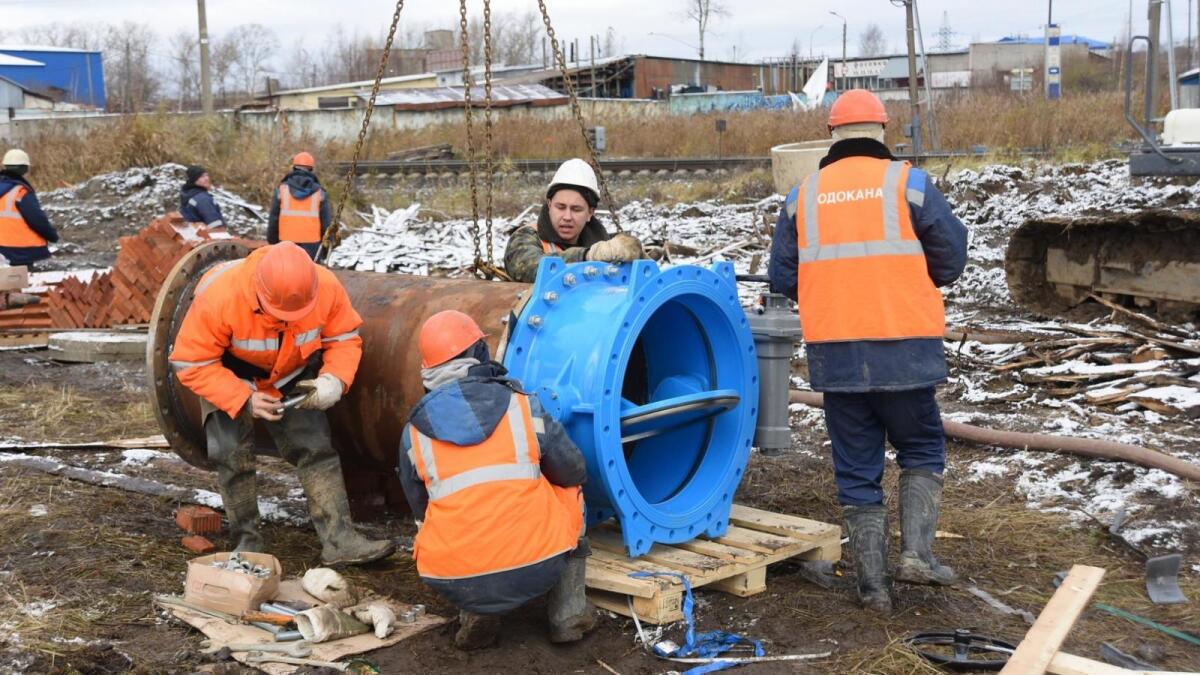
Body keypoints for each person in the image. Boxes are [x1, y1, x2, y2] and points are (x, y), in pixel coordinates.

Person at [767, 89, 969, 613]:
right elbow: (950, 260)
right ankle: (919, 557)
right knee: (921, 448)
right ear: (883, 130)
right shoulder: (911, 185)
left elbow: (782, 277)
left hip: (836, 354)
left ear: (831, 134)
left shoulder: (802, 196)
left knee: (856, 468)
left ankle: (873, 587)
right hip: (904, 347)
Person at [169, 241, 394, 565]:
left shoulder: (326, 287)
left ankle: (340, 542)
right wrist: (243, 398)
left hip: (291, 373)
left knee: (316, 450)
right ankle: (247, 548)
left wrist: (334, 380)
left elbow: (343, 339)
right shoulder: (221, 296)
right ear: (259, 294)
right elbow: (190, 362)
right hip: (229, 376)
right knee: (232, 456)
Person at [397, 310, 594, 649]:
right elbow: (574, 470)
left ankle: (477, 615)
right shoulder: (523, 407)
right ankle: (568, 615)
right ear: (479, 353)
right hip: (538, 566)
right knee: (571, 491)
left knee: (441, 515)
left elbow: (421, 509)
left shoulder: (414, 433)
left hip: (454, 577)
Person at [503, 158, 644, 282]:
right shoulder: (525, 238)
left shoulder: (603, 242)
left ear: (590, 213)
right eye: (560, 207)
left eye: (576, 209)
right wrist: (587, 256)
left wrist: (636, 253)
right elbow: (528, 267)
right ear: (549, 205)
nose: (567, 217)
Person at [0, 149, 59, 269]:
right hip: (20, 249)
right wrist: (52, 235)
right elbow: (36, 218)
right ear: (24, 168)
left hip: (2, 248)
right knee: (20, 282)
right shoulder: (20, 192)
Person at [268, 152, 331, 259]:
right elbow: (326, 224)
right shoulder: (320, 193)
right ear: (311, 169)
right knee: (310, 275)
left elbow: (274, 220)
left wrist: (273, 242)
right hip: (312, 246)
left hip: (285, 244)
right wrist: (325, 249)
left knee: (285, 274)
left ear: (294, 168)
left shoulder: (281, 190)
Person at [180, 165, 225, 230]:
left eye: (207, 175)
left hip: (194, 236)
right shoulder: (202, 198)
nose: (206, 178)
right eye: (202, 176)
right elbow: (215, 225)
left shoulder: (189, 195)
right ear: (193, 180)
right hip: (206, 237)